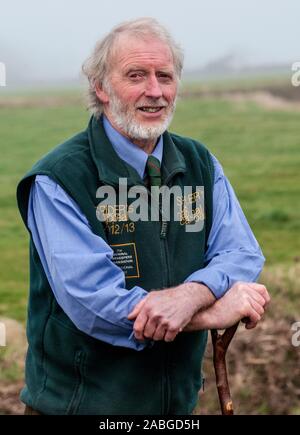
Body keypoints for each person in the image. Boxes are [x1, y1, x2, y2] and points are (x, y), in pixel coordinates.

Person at [17, 17, 270, 415]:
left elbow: (242, 253)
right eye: (136, 75)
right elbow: (97, 305)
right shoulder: (59, 179)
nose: (155, 92)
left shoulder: (200, 163)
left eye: (165, 76)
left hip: (175, 409)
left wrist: (194, 293)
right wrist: (212, 312)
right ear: (100, 87)